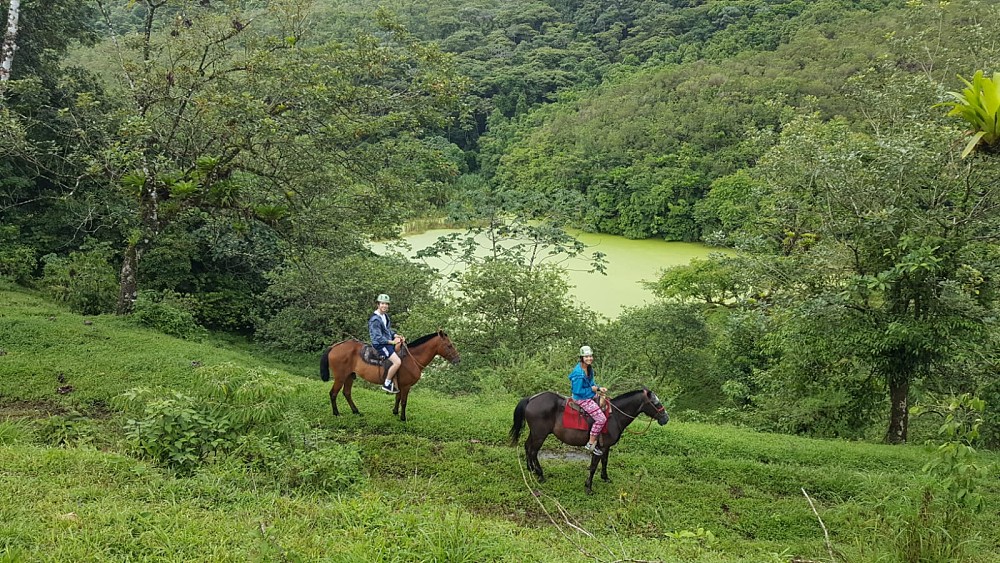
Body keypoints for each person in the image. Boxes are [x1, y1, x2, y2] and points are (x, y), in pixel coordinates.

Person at [569, 345, 607, 456]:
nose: (589, 358)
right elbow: (577, 391)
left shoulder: (588, 368)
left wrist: (599, 388)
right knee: (601, 419)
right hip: (581, 398)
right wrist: (593, 390)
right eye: (586, 356)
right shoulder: (578, 374)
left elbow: (591, 383)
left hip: (588, 394)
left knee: (606, 403)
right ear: (581, 357)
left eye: (590, 356)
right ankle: (590, 443)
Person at [369, 293, 405, 394]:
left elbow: (387, 331)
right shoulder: (375, 319)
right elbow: (378, 337)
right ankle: (387, 383)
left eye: (386, 304)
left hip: (386, 342)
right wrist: (392, 342)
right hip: (380, 344)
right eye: (382, 303)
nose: (384, 306)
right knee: (397, 362)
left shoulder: (384, 316)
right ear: (378, 304)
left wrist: (396, 335)